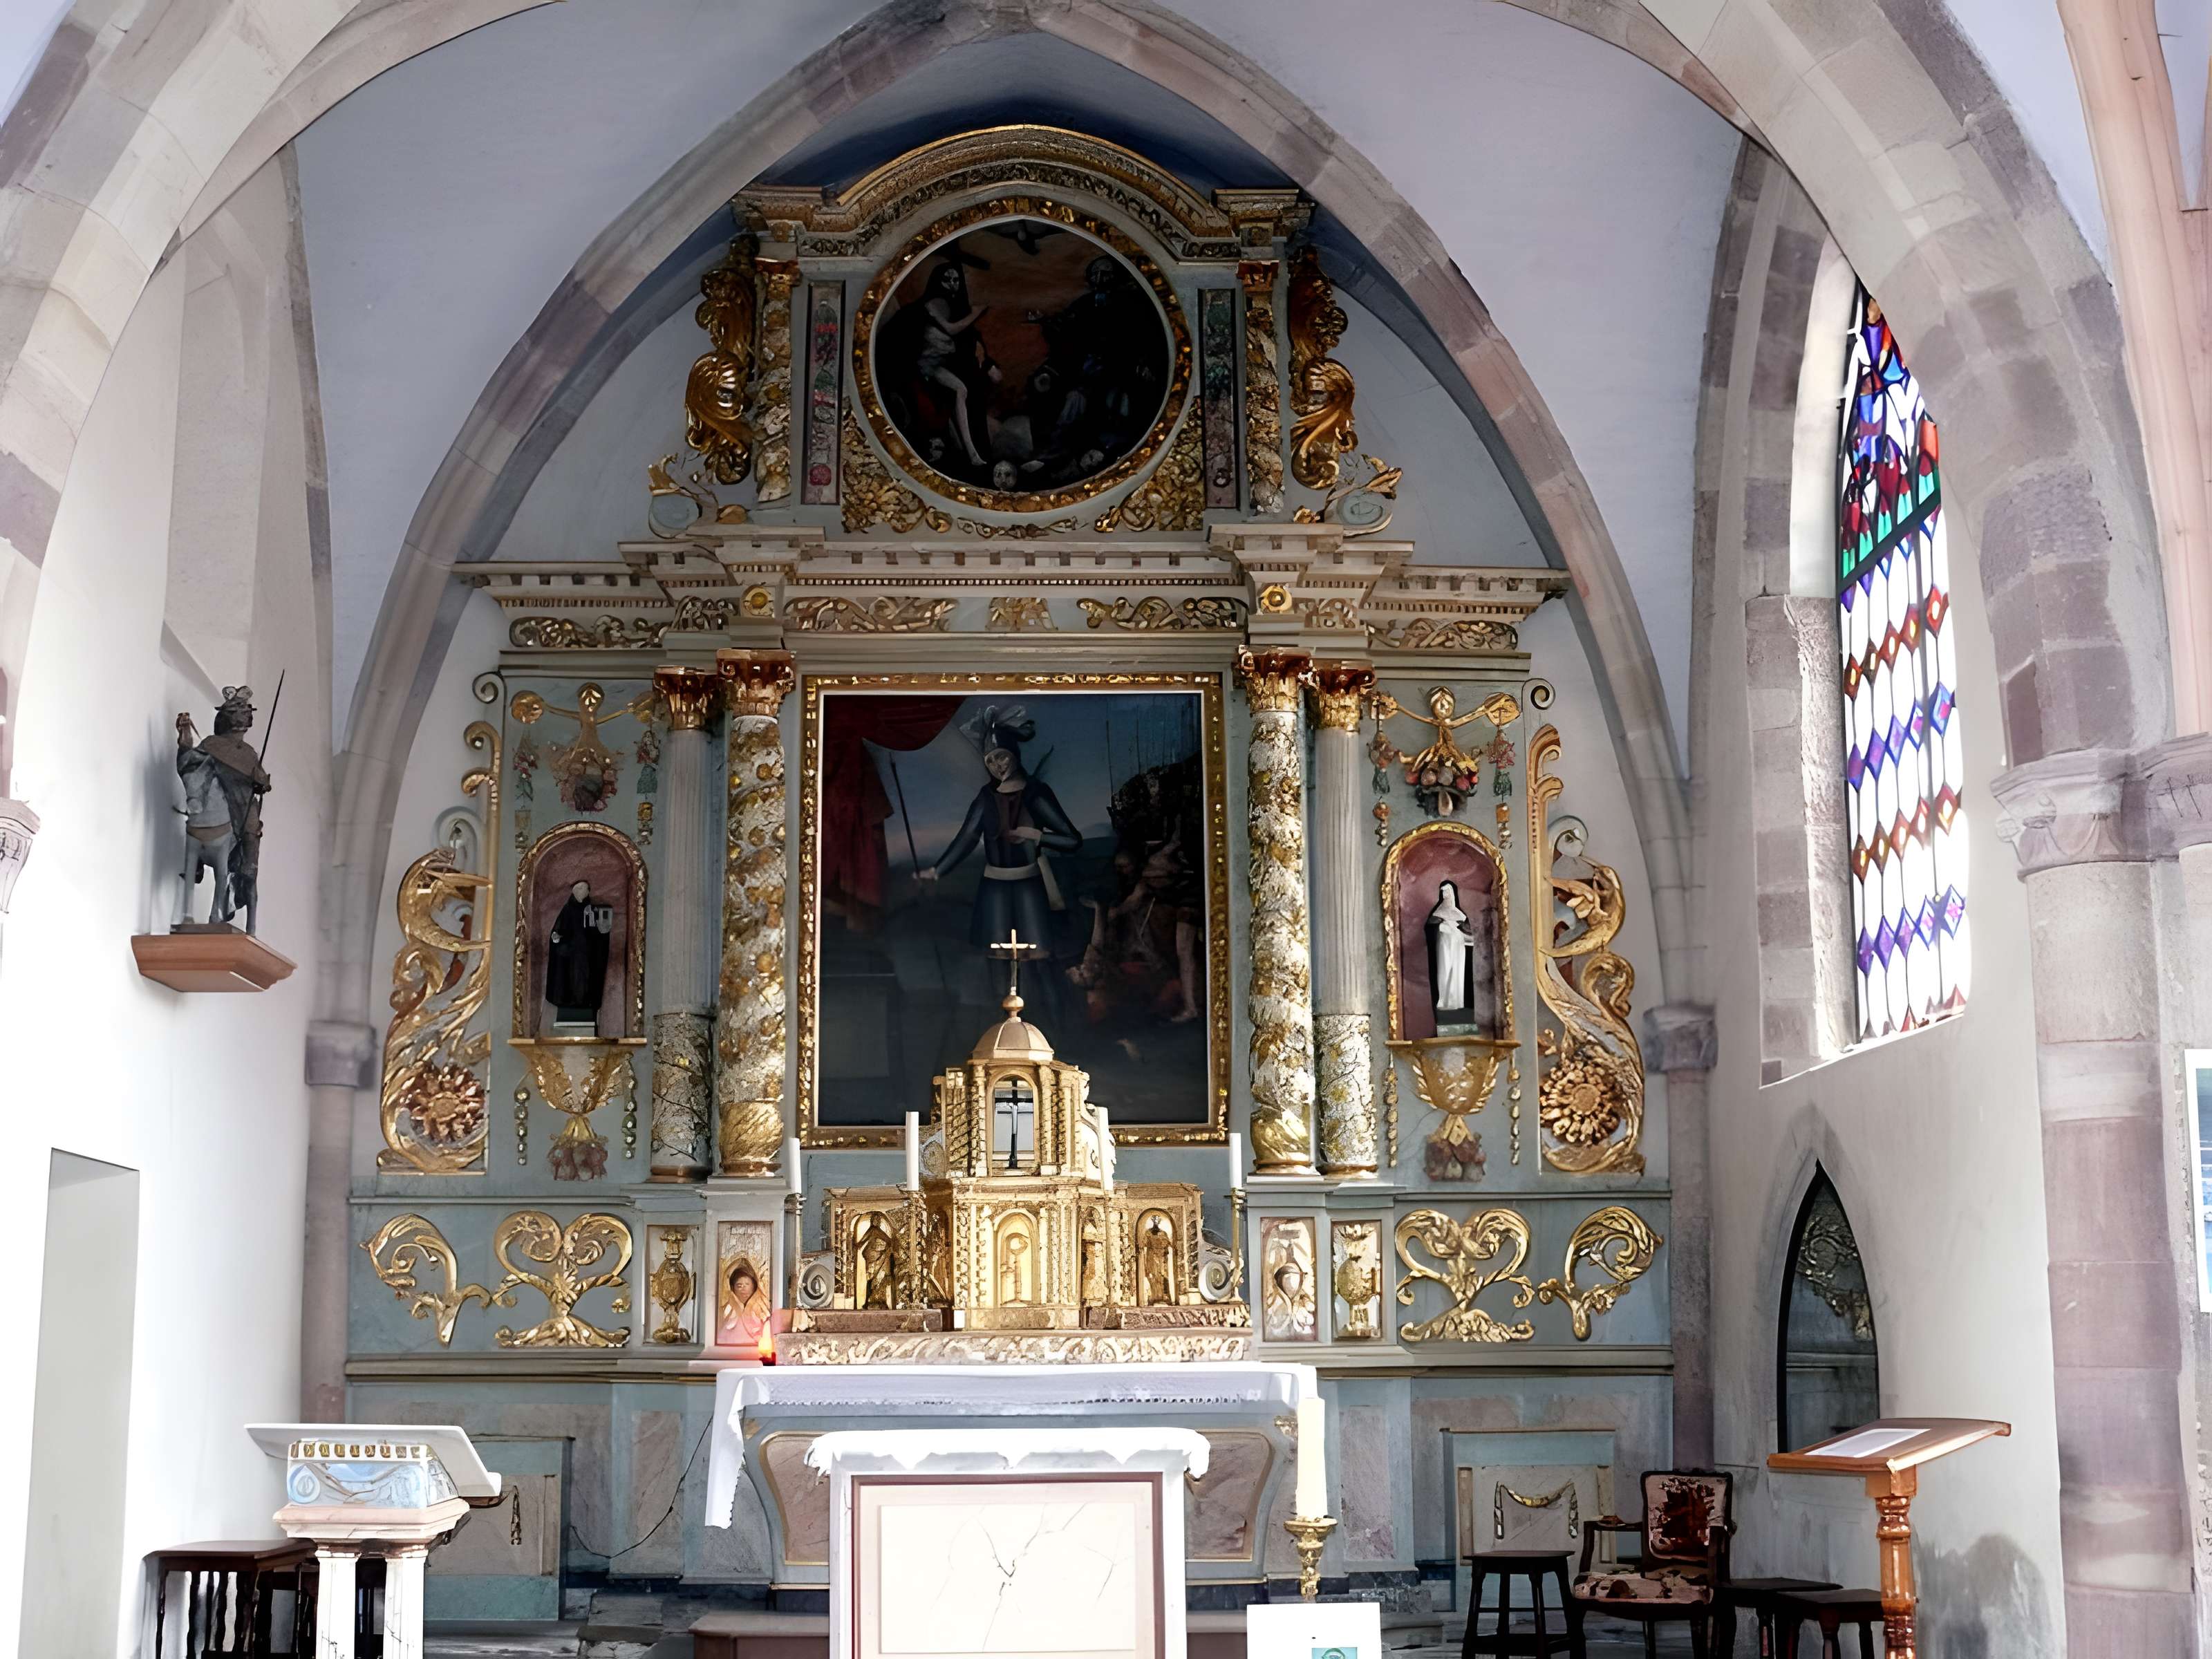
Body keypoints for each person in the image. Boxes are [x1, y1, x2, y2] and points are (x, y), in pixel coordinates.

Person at [918, 713, 1080, 955]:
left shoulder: (1036, 793)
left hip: (1030, 887)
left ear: (1015, 754)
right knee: (995, 957)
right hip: (993, 890)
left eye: (1002, 757)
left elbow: (1072, 841)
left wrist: (1037, 836)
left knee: (1037, 956)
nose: (998, 766)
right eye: (991, 761)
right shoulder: (986, 798)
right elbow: (967, 838)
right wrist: (937, 871)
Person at [176, 684, 272, 932]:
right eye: (237, 715)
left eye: (244, 714)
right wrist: (184, 740)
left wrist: (262, 782)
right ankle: (195, 864)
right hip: (220, 796)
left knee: (251, 832)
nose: (241, 720)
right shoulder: (211, 744)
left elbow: (261, 779)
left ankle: (248, 867)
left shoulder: (250, 753)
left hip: (243, 803)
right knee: (198, 817)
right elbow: (192, 765)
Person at [545, 878, 612, 1029]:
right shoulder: (568, 910)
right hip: (571, 956)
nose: (583, 891)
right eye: (580, 889)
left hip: (588, 956)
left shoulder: (593, 910)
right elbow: (558, 931)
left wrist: (603, 932)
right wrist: (557, 938)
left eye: (585, 889)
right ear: (574, 892)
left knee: (586, 981)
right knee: (570, 981)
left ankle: (585, 1003)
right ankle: (571, 1004)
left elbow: (601, 933)